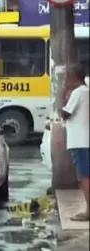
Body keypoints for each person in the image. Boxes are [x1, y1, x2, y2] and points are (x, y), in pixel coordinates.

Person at [60, 66, 89, 221]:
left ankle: (88, 211)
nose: (65, 80)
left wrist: (63, 95)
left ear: (73, 77)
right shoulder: (86, 91)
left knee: (84, 176)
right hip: (84, 139)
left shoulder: (78, 93)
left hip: (80, 141)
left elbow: (65, 113)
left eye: (67, 77)